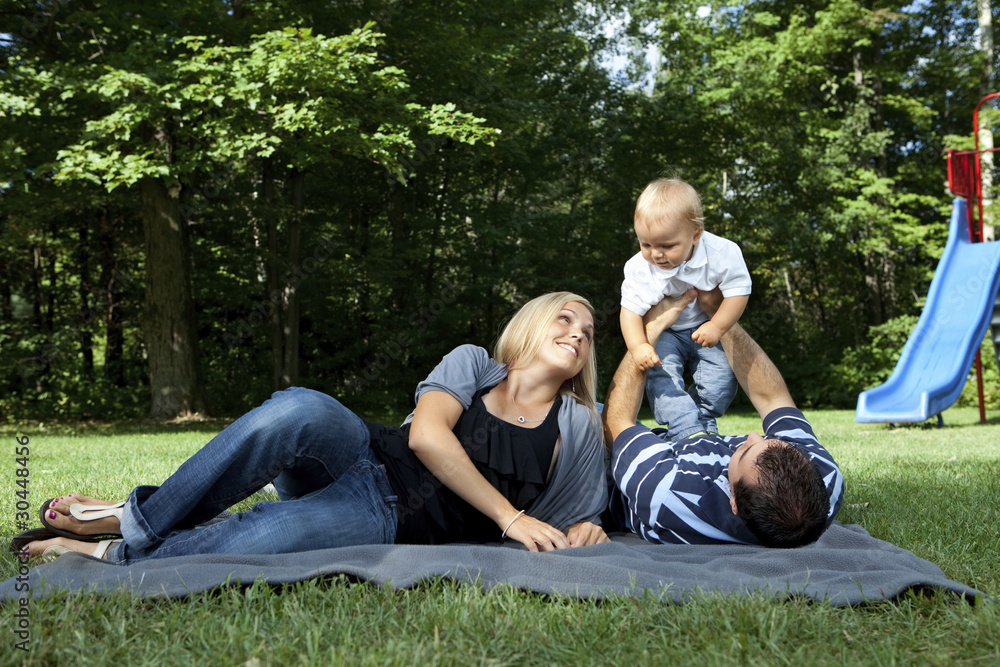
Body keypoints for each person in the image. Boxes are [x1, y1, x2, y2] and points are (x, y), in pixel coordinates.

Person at [13, 292, 610, 563]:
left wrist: (588, 528)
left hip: (394, 518)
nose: (579, 334)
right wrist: (509, 516)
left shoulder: (578, 423)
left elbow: (583, 511)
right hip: (360, 454)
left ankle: (109, 545)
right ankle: (137, 517)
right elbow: (427, 437)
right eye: (566, 319)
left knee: (257, 539)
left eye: (588, 332)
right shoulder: (474, 363)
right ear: (531, 324)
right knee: (299, 406)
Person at [604, 288, 844, 548]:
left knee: (579, 411)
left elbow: (616, 423)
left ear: (733, 502)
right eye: (768, 439)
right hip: (685, 445)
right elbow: (774, 400)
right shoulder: (825, 479)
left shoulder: (669, 493)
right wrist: (721, 317)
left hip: (622, 470)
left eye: (743, 452)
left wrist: (651, 328)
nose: (753, 435)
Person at [619, 178, 752, 440]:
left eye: (667, 246)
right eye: (645, 244)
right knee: (661, 372)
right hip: (668, 331)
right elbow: (630, 311)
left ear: (695, 234)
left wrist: (718, 325)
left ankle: (703, 420)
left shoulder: (721, 253)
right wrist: (639, 346)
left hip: (707, 327)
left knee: (721, 380)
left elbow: (739, 292)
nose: (655, 254)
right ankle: (683, 427)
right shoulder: (639, 268)